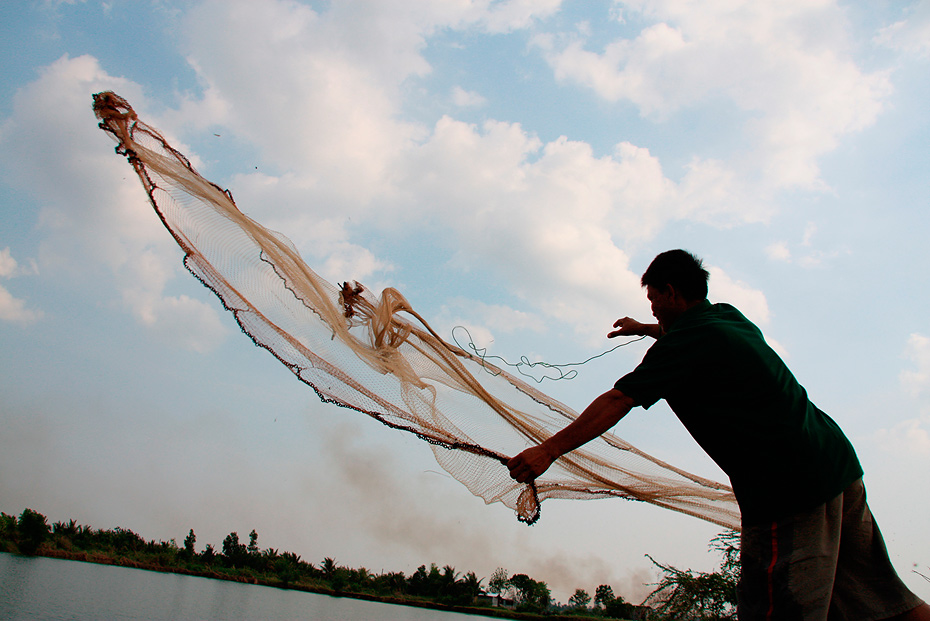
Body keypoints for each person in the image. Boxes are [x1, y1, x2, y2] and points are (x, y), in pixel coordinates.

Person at [508, 249, 929, 621]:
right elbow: (688, 333)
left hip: (791, 491)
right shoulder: (726, 316)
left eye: (654, 301)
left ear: (671, 292)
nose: (653, 310)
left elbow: (620, 399)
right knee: (886, 606)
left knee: (773, 609)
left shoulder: (684, 346)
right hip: (836, 468)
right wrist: (645, 328)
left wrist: (549, 450)